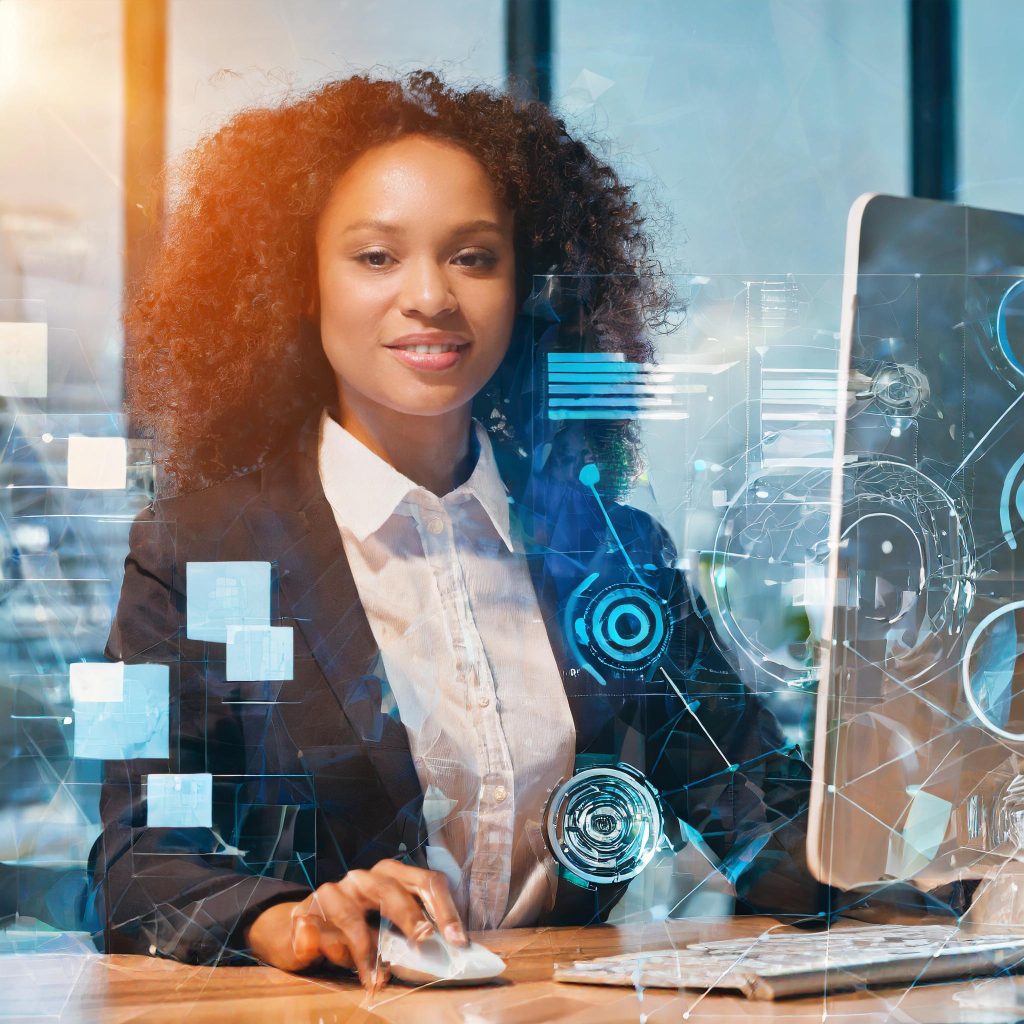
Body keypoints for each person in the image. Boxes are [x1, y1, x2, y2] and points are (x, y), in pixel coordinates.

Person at [87, 70, 821, 991]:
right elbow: (129, 869)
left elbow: (758, 814)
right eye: (376, 258)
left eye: (474, 257)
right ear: (302, 286)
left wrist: (937, 839)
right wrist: (289, 920)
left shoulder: (611, 551)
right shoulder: (190, 553)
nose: (430, 296)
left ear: (525, 288)